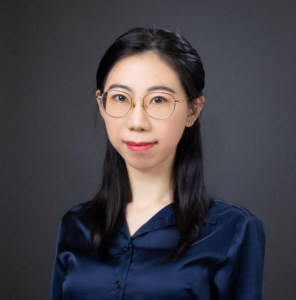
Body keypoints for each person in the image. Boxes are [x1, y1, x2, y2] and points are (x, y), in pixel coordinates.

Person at [49, 26, 266, 300]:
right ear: (101, 105)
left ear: (193, 111)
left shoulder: (233, 230)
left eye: (159, 100)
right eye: (119, 98)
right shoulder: (76, 224)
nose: (137, 122)